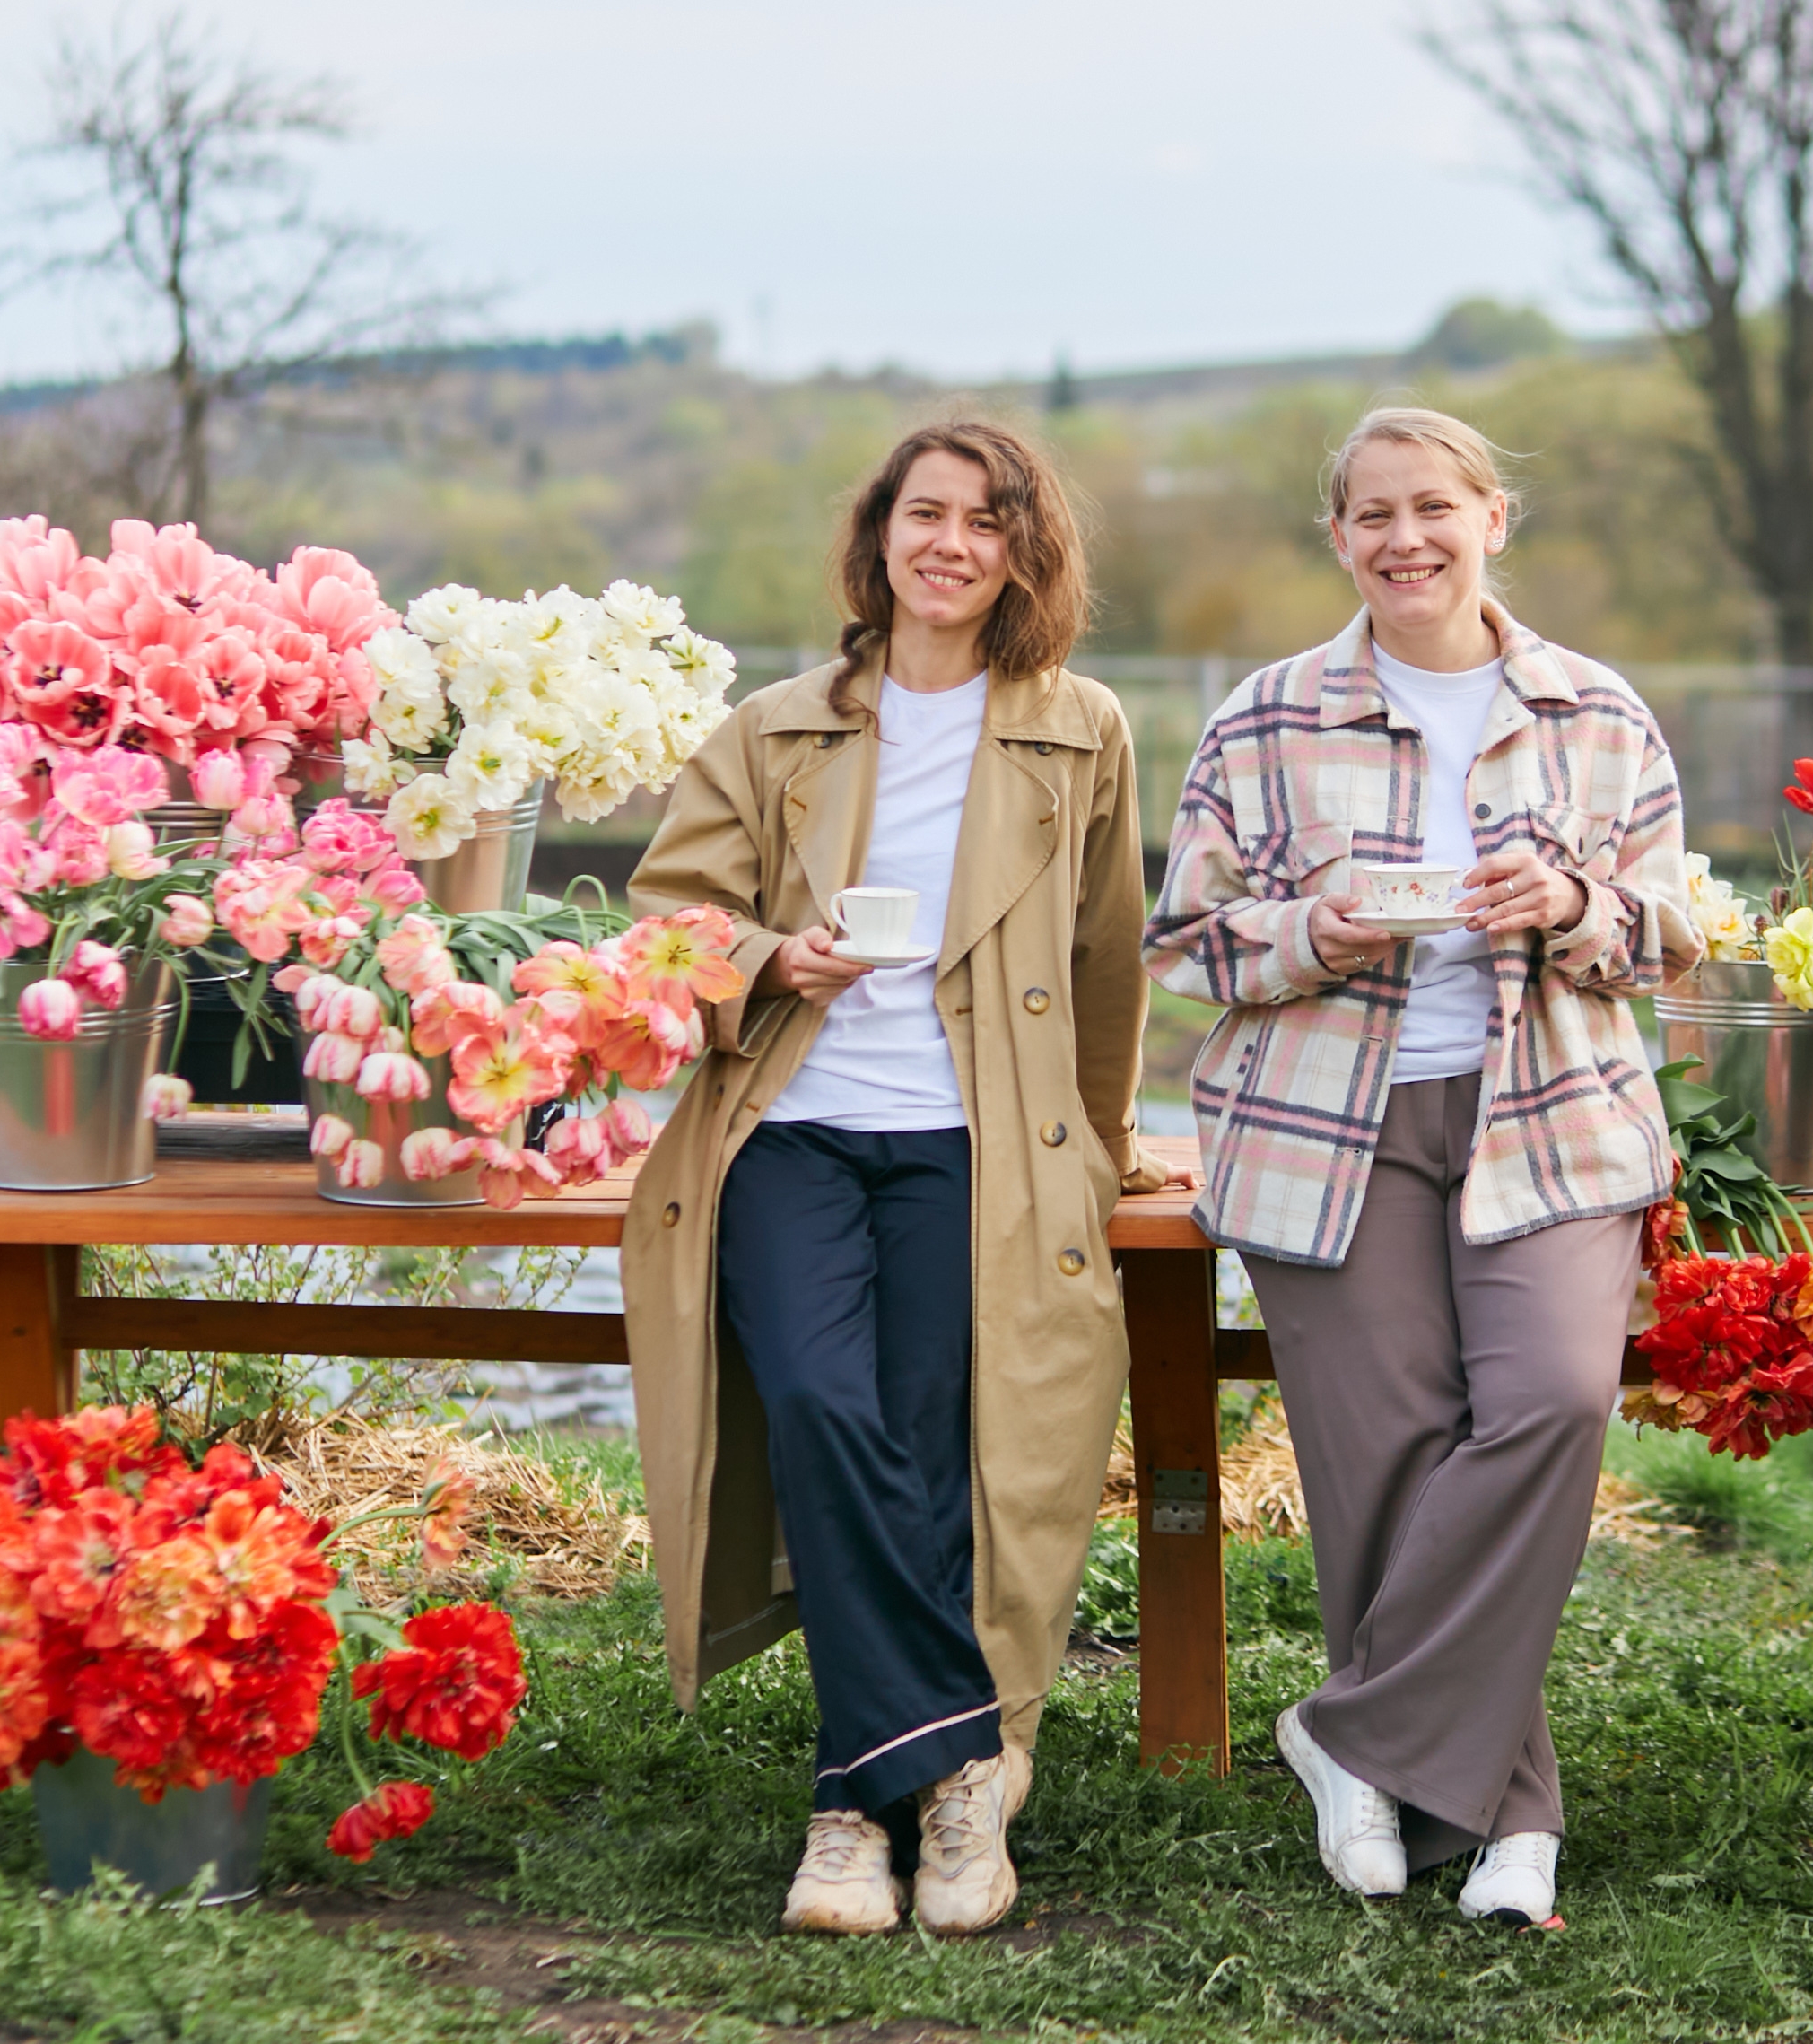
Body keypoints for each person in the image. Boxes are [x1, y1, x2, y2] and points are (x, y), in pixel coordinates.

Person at [1143, 406, 1697, 1928]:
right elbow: (1185, 939)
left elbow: (1665, 934)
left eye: (1434, 506)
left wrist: (1569, 897)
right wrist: (1316, 928)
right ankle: (1511, 1822)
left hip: (1548, 1115)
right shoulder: (1265, 717)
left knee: (1550, 1402)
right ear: (1338, 540)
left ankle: (1349, 1733)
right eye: (1371, 514)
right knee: (1384, 1451)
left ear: (1492, 519)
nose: (1405, 537)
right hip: (1332, 1126)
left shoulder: (1594, 710)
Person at [623, 418, 1174, 1937]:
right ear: (876, 539)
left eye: (984, 520)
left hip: (982, 1143)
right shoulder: (773, 726)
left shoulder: (1084, 729)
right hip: (792, 1124)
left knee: (943, 1447)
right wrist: (763, 955)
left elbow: (1106, 960)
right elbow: (668, 918)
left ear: (1021, 553)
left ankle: (852, 1820)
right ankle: (952, 1773)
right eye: (922, 512)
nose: (949, 541)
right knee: (814, 1400)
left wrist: (1097, 1157)